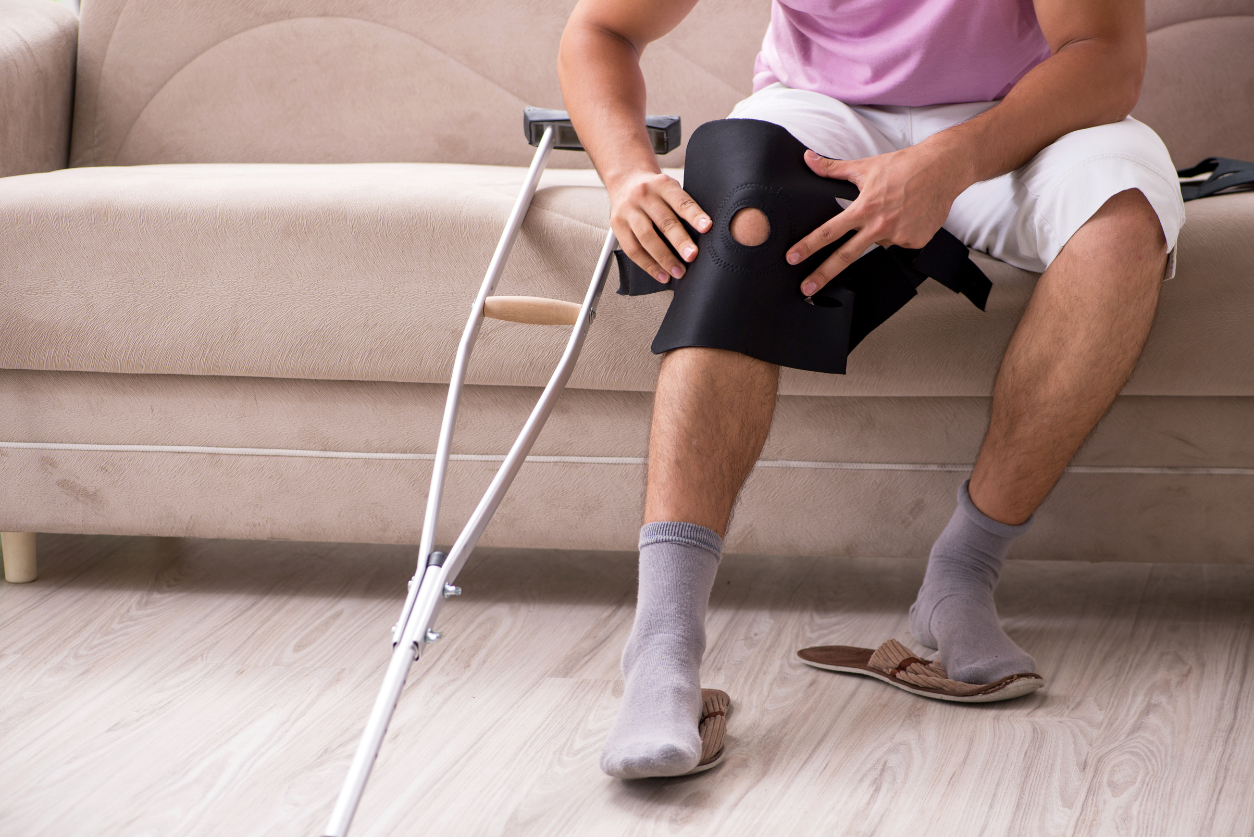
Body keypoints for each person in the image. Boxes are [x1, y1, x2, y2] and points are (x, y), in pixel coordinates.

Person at [558, 0, 1184, 779]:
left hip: (1022, 112)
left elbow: (1106, 55)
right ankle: (661, 651)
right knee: (739, 227)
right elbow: (601, 29)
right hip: (823, 110)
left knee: (1122, 224)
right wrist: (625, 173)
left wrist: (955, 158)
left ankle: (961, 575)